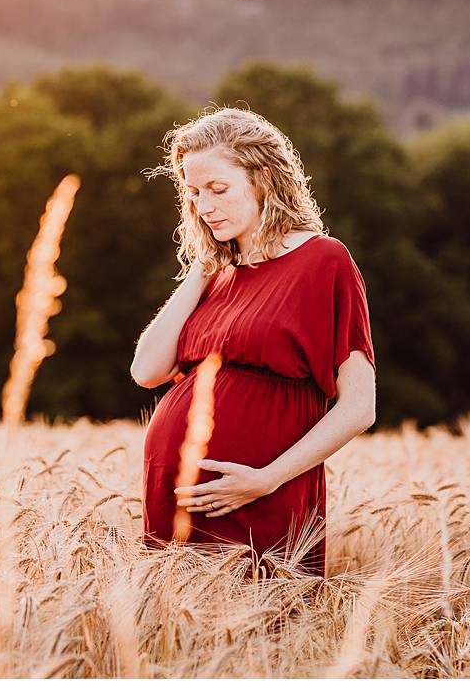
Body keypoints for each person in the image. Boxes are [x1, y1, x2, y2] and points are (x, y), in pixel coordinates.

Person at [131, 105, 376, 577]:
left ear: (263, 179)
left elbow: (359, 406)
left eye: (218, 190)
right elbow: (146, 372)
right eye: (194, 193)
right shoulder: (216, 274)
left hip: (262, 493)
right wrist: (202, 267)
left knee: (266, 631)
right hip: (176, 492)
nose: (204, 207)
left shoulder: (324, 261)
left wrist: (265, 480)